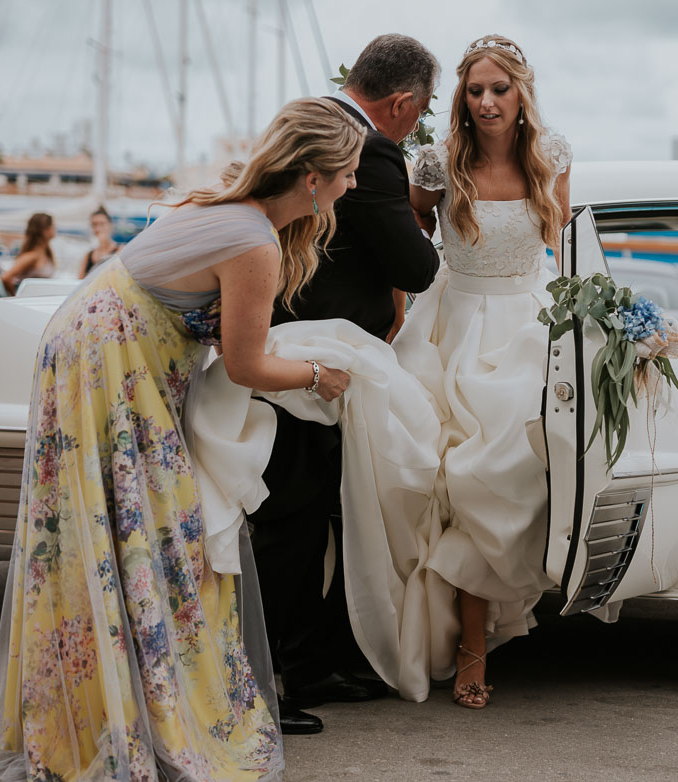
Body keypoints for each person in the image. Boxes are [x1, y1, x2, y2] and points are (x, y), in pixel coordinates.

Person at [0, 97, 365, 780]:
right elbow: (246, 365)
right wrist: (317, 374)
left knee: (113, 532)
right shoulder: (252, 241)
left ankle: (108, 704)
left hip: (94, 350)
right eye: (349, 172)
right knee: (148, 530)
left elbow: (195, 317)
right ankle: (132, 712)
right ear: (313, 177)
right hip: (110, 366)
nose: (353, 185)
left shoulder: (230, 216)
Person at [246, 34, 441, 718]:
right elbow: (413, 268)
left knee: (305, 518)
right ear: (401, 102)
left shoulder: (303, 118)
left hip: (293, 343)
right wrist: (427, 215)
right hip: (310, 358)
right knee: (292, 522)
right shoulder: (371, 148)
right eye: (416, 113)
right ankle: (256, 685)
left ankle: (305, 665)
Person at [399, 33, 572, 709]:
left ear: (521, 91)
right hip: (453, 327)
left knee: (513, 472)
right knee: (457, 476)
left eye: (499, 88)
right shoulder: (436, 161)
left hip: (527, 327)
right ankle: (470, 645)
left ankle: (508, 609)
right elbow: (409, 235)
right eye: (474, 90)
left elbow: (561, 245)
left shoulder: (551, 155)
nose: (486, 101)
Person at [0, 212, 56, 294]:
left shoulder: (45, 254)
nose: (55, 229)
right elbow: (6, 278)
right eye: (53, 226)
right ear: (44, 230)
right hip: (30, 302)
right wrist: (16, 297)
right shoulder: (32, 256)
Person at [79, 205, 121, 277]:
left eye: (102, 224)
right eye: (94, 225)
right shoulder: (88, 255)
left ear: (110, 225)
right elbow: (80, 280)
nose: (98, 228)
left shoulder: (120, 251)